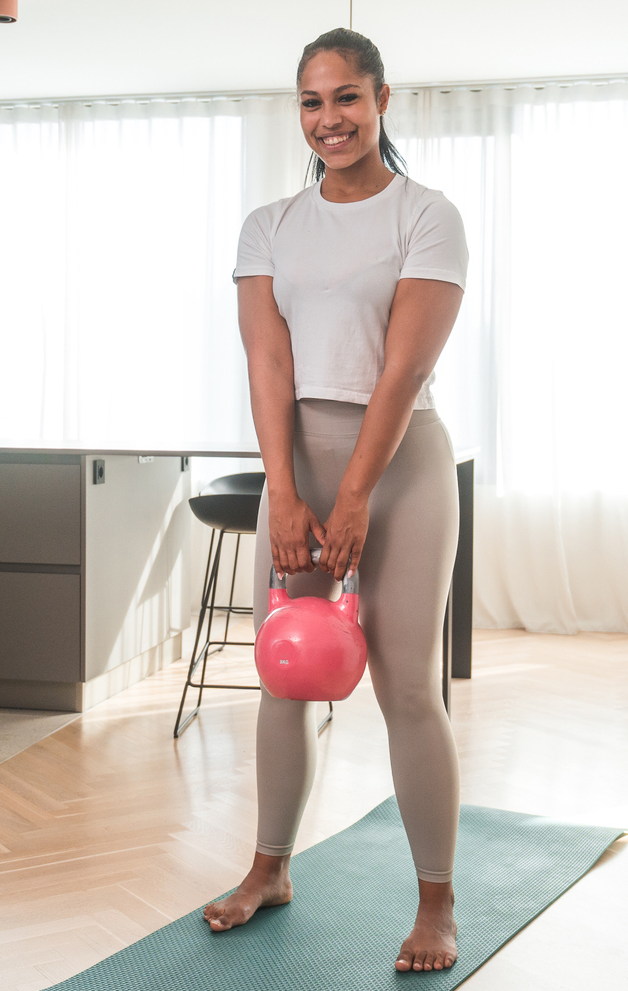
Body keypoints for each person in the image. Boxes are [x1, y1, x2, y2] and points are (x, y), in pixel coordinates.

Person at [199, 26, 468, 975]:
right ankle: (269, 867)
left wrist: (353, 497)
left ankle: (435, 899)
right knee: (286, 672)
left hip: (401, 464)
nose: (329, 119)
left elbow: (403, 370)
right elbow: (267, 363)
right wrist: (285, 491)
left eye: (346, 98)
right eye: (313, 102)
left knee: (404, 684)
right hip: (298, 460)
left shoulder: (426, 216)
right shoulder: (268, 225)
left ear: (382, 99)